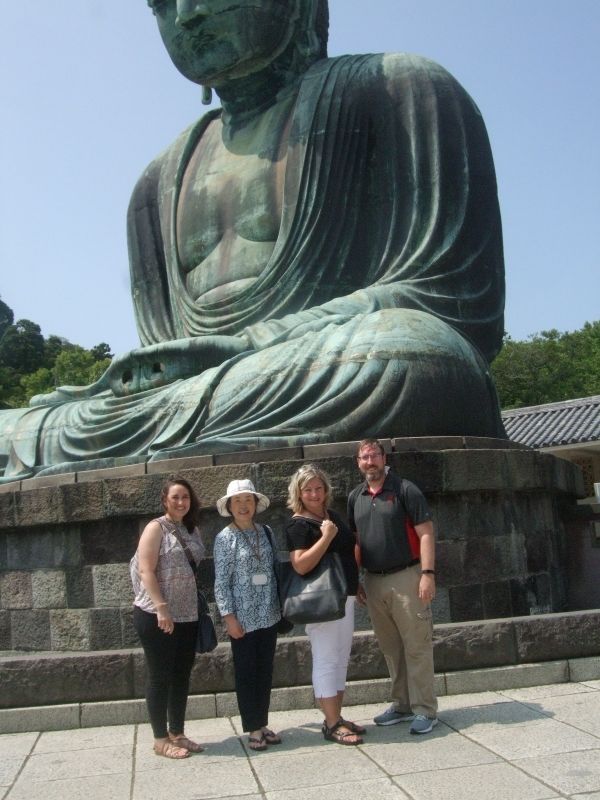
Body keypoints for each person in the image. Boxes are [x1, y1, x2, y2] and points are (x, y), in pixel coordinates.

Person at [0, 0, 505, 482]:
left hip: (328, 363)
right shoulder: (155, 183)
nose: (188, 15)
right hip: (210, 394)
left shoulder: (397, 89)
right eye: (161, 3)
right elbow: (161, 357)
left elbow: (456, 302)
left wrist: (248, 344)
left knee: (415, 356)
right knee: (13, 430)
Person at [348, 439, 438, 735]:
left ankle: (425, 709)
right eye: (364, 456)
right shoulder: (355, 497)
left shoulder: (404, 489)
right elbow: (356, 542)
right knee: (390, 647)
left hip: (406, 576)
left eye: (374, 455)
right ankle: (401, 704)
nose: (369, 460)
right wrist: (355, 580)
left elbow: (425, 533)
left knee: (417, 645)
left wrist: (427, 573)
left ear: (383, 458)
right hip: (373, 580)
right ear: (358, 462)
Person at [285, 464, 362, 745]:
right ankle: (331, 723)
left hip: (345, 594)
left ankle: (337, 716)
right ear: (299, 493)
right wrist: (326, 536)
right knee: (327, 658)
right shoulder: (298, 524)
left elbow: (346, 553)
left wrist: (358, 585)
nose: (315, 494)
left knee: (341, 658)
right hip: (323, 601)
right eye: (308, 490)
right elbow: (301, 565)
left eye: (318, 488)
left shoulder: (333, 516)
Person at [130, 475, 206, 758]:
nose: (181, 502)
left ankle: (177, 732)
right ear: (165, 500)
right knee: (160, 675)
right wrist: (161, 606)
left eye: (185, 497)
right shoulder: (155, 528)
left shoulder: (192, 530)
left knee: (181, 675)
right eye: (175, 497)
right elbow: (146, 570)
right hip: (155, 613)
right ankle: (160, 739)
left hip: (187, 613)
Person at [213, 479, 282, 751]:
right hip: (242, 618)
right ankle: (252, 727)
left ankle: (262, 722)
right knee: (246, 672)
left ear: (256, 504)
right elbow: (220, 582)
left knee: (265, 670)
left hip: (268, 612)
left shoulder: (265, 532)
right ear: (230, 506)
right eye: (238, 501)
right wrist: (228, 617)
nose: (243, 506)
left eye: (248, 501)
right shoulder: (224, 538)